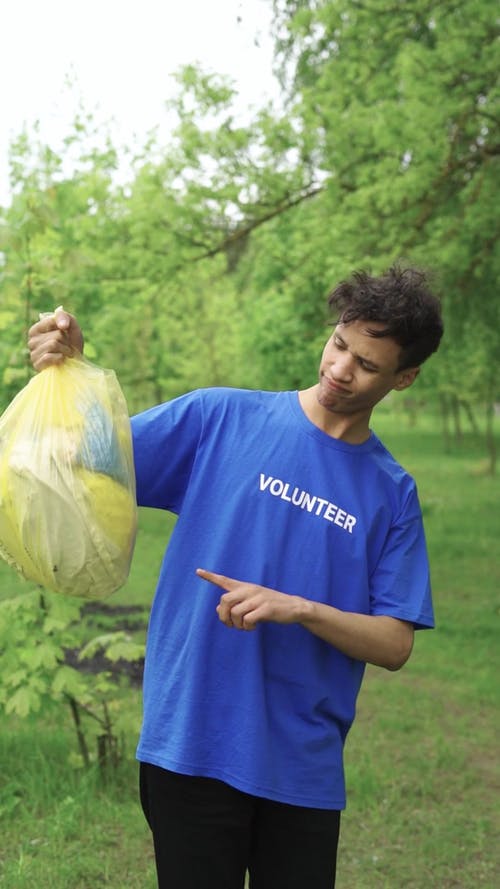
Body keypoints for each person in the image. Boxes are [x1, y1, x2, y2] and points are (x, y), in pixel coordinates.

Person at [28, 265, 443, 889]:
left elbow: (395, 643)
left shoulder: (391, 493)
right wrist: (71, 367)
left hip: (301, 771)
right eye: (338, 345)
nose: (339, 369)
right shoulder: (218, 419)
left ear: (404, 378)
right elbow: (90, 449)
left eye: (367, 364)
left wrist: (298, 608)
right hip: (192, 742)